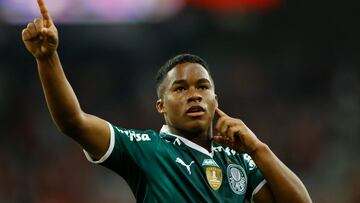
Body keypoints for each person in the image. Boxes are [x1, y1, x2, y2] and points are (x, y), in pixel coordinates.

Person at [22, 0, 312, 202]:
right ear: (161, 106)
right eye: (180, 89)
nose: (194, 94)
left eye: (202, 86)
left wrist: (260, 150)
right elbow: (74, 122)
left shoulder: (238, 161)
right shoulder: (144, 149)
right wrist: (47, 59)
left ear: (215, 100)